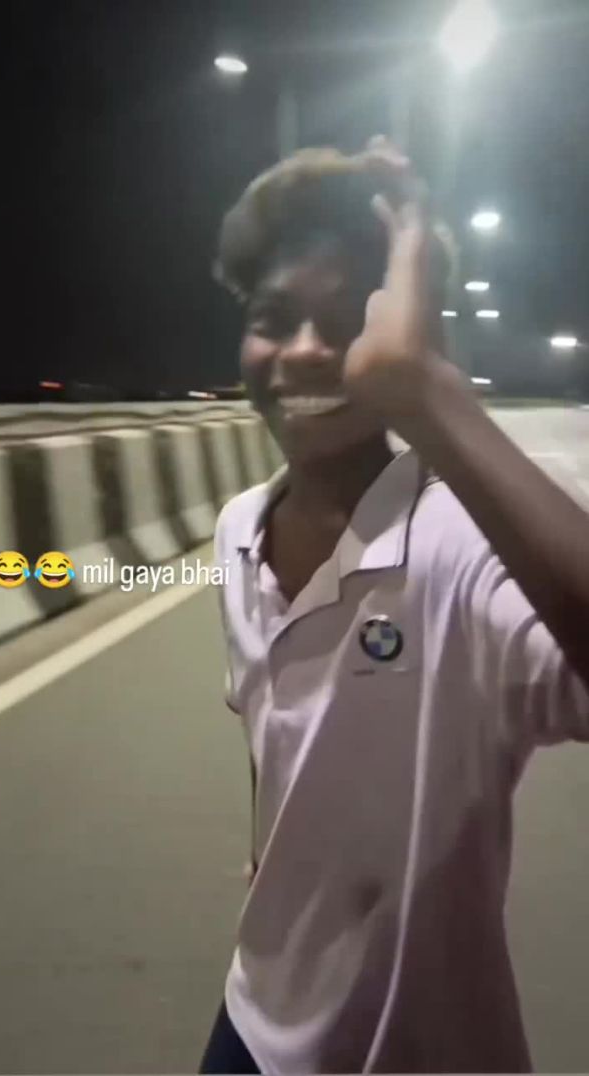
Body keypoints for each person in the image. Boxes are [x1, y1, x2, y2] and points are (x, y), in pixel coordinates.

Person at [199, 136, 589, 1075]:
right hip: (252, 1020)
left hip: (418, 1047)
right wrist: (268, 853)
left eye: (346, 323)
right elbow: (267, 717)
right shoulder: (239, 527)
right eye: (272, 318)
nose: (302, 351)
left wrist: (430, 398)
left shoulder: (467, 542)